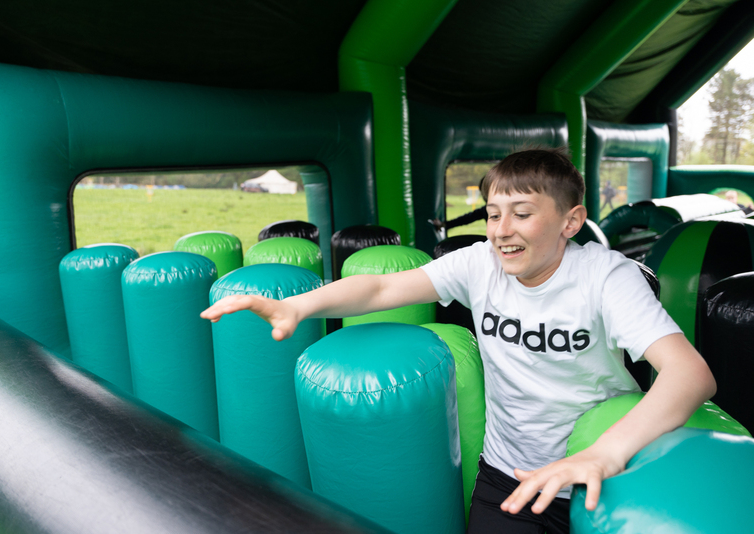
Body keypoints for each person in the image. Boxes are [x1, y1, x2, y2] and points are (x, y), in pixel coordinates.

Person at [201, 148, 716, 534]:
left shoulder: (606, 276)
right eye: (493, 214)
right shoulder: (480, 264)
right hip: (508, 474)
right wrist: (300, 305)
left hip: (594, 473)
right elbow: (381, 287)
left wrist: (603, 454)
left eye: (522, 213)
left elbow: (689, 373)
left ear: (571, 222)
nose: (501, 230)